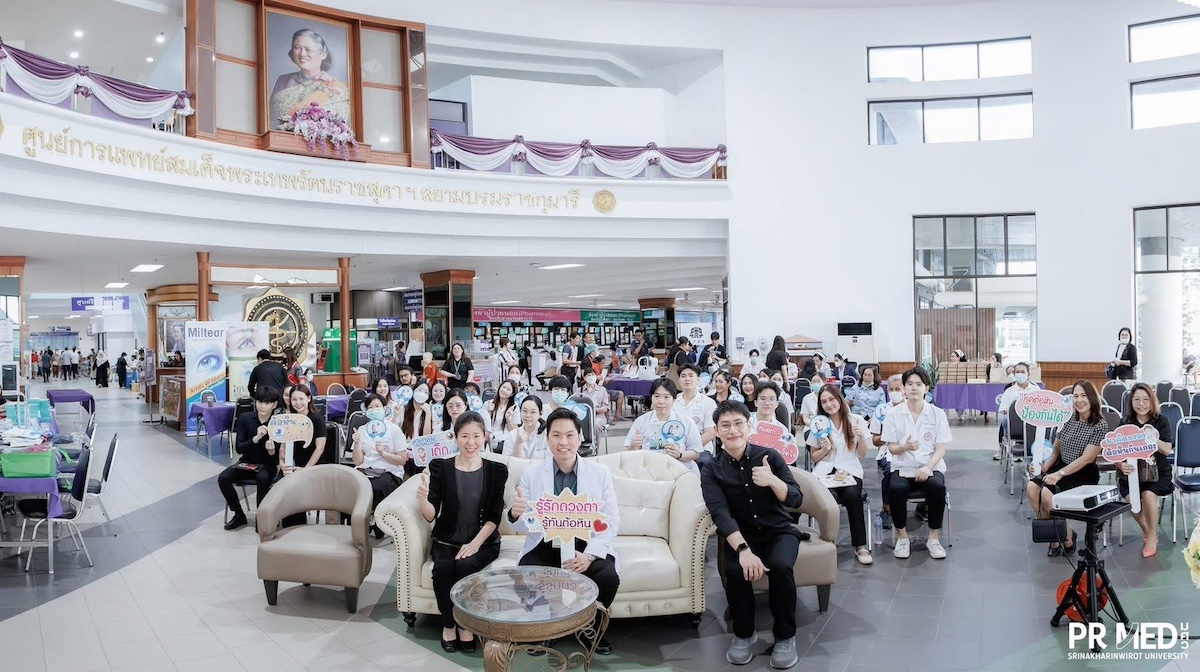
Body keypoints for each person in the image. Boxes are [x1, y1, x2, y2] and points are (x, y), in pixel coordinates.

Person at [701, 400, 804, 669]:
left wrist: (773, 481)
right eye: (725, 425)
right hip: (740, 536)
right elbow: (720, 513)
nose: (733, 430)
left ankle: (785, 636)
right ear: (717, 431)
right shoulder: (712, 469)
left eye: (738, 423)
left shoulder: (769, 456)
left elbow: (795, 499)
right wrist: (744, 551)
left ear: (749, 426)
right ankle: (744, 634)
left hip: (778, 532)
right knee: (735, 571)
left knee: (781, 566)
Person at [509, 408, 619, 655]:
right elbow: (525, 525)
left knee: (607, 577)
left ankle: (590, 629)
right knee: (525, 574)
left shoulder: (599, 474)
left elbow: (610, 521)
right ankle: (545, 630)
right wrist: (516, 513)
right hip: (546, 543)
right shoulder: (531, 474)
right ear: (547, 438)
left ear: (580, 437)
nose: (563, 442)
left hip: (586, 543)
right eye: (556, 435)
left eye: (570, 435)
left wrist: (589, 556)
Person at [418, 411, 508, 654]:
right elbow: (430, 514)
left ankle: (464, 624)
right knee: (444, 568)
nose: (471, 442)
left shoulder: (496, 470)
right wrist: (422, 500)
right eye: (465, 436)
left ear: (485, 437)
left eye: (476, 436)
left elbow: (494, 516)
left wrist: (476, 544)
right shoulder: (441, 467)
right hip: (447, 538)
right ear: (455, 437)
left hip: (483, 540)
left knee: (466, 567)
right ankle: (449, 625)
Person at [1026, 380, 1107, 557]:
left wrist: (1059, 474)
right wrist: (1045, 467)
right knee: (1032, 487)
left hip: (1083, 472)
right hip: (1060, 467)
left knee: (1047, 494)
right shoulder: (1069, 418)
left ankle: (1061, 539)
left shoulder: (1100, 425)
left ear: (1092, 398)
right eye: (1076, 396)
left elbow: (1087, 458)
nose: (1079, 400)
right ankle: (1065, 534)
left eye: (1083, 395)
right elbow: (1056, 450)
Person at [881, 367, 951, 560]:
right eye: (910, 384)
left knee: (937, 487)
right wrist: (905, 447)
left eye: (918, 384)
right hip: (903, 466)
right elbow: (892, 448)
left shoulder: (938, 414)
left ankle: (933, 537)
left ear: (926, 388)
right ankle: (902, 538)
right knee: (895, 488)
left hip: (930, 466)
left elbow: (941, 448)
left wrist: (928, 467)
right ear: (903, 388)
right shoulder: (893, 415)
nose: (914, 388)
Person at [807, 385, 873, 565]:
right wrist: (825, 450)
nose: (829, 404)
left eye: (832, 399)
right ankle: (827, 544)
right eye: (824, 401)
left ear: (840, 399)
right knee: (828, 501)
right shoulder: (818, 423)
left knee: (853, 496)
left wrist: (859, 437)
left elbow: (863, 454)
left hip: (850, 471)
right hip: (825, 472)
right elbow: (814, 457)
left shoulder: (856, 420)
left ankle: (860, 546)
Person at [1117, 383, 1174, 558]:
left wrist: (1150, 437)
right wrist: (1121, 465)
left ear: (1152, 400)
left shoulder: (1161, 421)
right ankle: (1149, 532)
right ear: (1131, 402)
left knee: (1148, 495)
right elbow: (1116, 453)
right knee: (1131, 501)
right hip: (1131, 475)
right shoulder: (1125, 422)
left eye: (1145, 399)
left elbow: (1167, 450)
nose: (1141, 404)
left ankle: (1150, 538)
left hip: (1158, 475)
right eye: (1136, 400)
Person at [218, 385, 281, 530]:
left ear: (274, 405)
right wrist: (256, 438)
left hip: (267, 465)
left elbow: (278, 455)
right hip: (247, 463)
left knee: (263, 478)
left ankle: (262, 516)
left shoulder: (278, 422)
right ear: (255, 402)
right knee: (223, 478)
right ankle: (239, 514)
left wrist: (272, 451)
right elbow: (239, 448)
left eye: (267, 403)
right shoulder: (246, 418)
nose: (263, 406)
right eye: (260, 402)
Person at [270, 28, 351, 129]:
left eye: (308, 49)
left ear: (323, 55)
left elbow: (343, 125)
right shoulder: (282, 80)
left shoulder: (335, 86)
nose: (302, 54)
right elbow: (270, 118)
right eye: (297, 48)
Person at [353, 393, 408, 537]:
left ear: (385, 408)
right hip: (366, 470)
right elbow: (358, 462)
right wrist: (357, 443)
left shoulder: (393, 429)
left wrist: (384, 454)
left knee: (376, 487)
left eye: (377, 406)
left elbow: (402, 460)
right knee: (350, 484)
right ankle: (356, 523)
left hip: (390, 472)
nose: (374, 409)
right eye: (370, 407)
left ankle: (377, 522)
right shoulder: (362, 430)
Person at [626, 378, 706, 474]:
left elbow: (696, 452)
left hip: (680, 470)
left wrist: (680, 455)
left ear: (674, 399)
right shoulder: (641, 421)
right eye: (656, 396)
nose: (661, 401)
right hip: (649, 471)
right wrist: (633, 446)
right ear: (651, 397)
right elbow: (628, 452)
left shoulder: (686, 421)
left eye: (666, 397)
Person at [277, 385, 328, 527]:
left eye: (301, 398)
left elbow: (320, 448)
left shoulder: (316, 419)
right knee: (281, 486)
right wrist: (282, 463)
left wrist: (305, 469)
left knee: (295, 485)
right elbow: (282, 447)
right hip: (292, 464)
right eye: (294, 399)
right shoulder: (288, 420)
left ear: (309, 399)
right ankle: (288, 527)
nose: (298, 403)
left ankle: (297, 527)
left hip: (313, 466)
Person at [870, 374, 906, 530]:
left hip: (910, 449)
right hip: (887, 451)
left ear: (905, 390)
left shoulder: (911, 407)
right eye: (891, 389)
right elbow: (875, 441)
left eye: (898, 389)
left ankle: (923, 504)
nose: (894, 392)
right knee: (892, 471)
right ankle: (887, 508)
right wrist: (886, 435)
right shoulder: (882, 410)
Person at [994, 361, 1038, 460]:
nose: (1020, 374)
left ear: (1028, 374)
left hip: (1032, 423)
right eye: (1017, 372)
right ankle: (1003, 448)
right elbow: (1005, 411)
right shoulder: (1009, 391)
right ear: (1014, 374)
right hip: (1014, 425)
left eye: (1023, 372)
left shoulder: (1036, 390)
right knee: (1005, 420)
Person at [674, 364, 718, 449]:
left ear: (698, 379)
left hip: (701, 447)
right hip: (675, 447)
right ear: (679, 380)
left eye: (691, 376)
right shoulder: (673, 401)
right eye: (683, 376)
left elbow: (710, 433)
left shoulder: (708, 403)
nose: (687, 379)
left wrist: (689, 448)